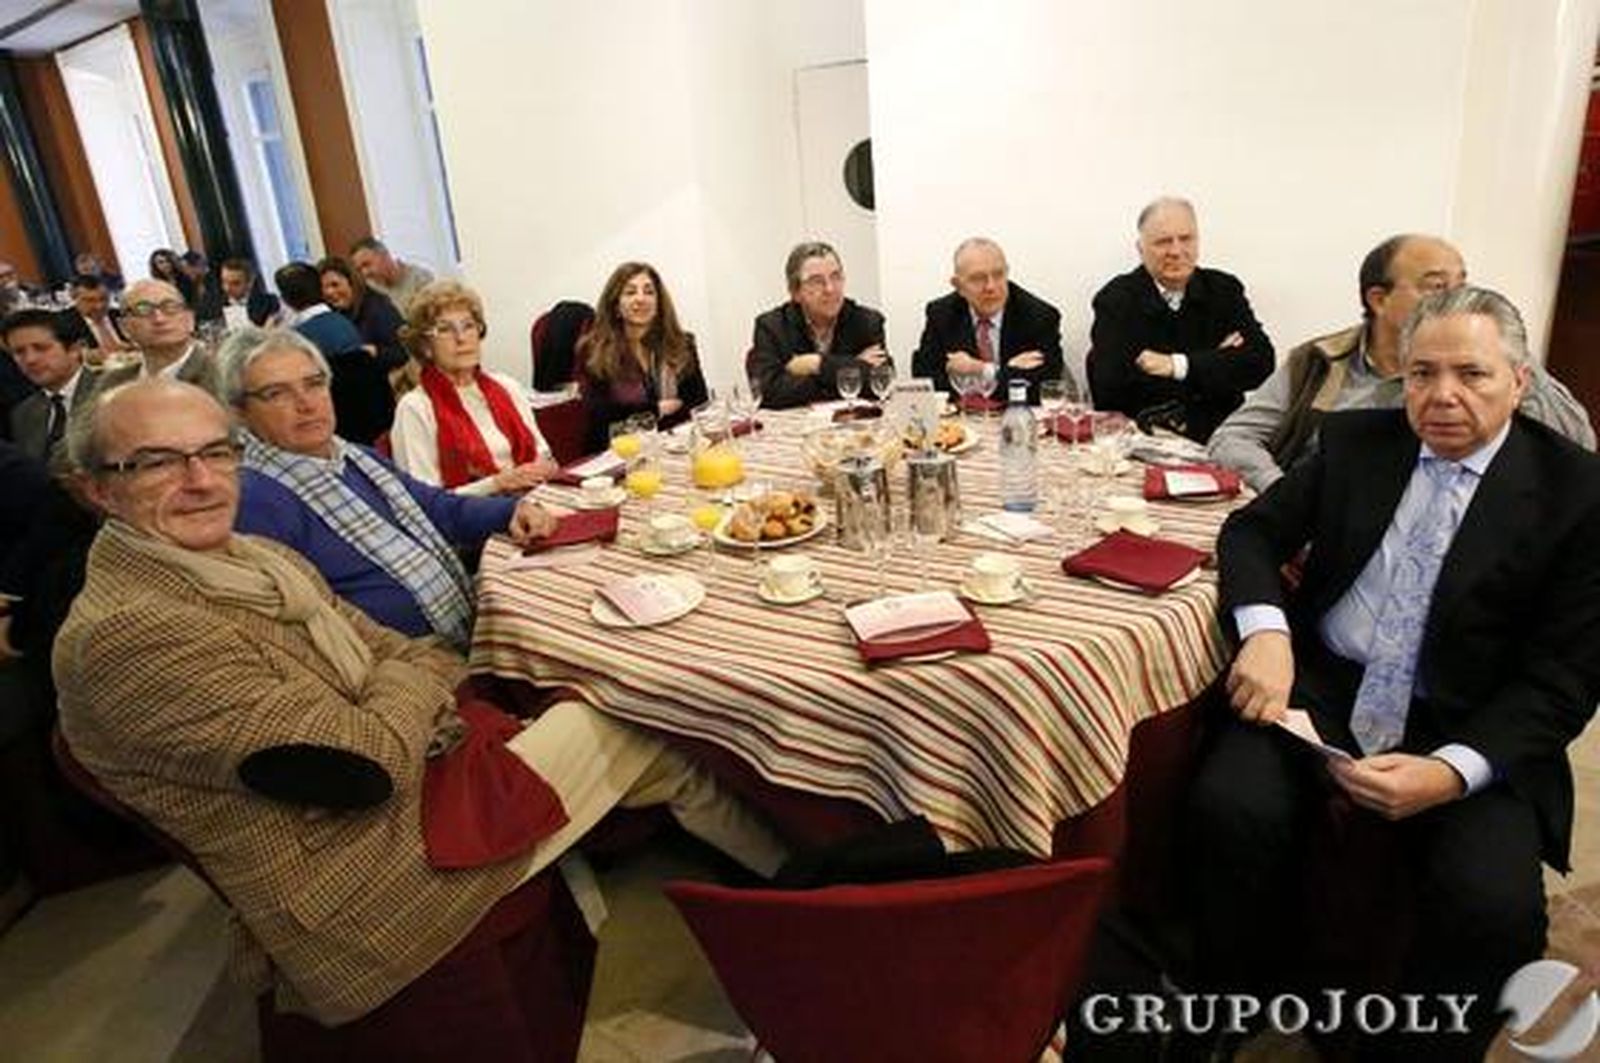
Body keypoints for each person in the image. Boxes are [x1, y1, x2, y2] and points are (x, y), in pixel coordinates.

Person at [53, 377, 786, 1026]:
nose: (202, 479)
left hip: (414, 780)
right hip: (369, 872)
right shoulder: (130, 632)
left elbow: (406, 651)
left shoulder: (250, 558)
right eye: (156, 461)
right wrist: (410, 694)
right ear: (95, 486)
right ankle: (802, 893)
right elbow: (361, 762)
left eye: (217, 452)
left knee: (632, 736)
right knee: (636, 721)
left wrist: (399, 688)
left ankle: (791, 891)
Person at [1191, 286, 1600, 1061]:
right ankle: (1231, 1007)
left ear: (1519, 381)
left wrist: (1451, 773)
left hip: (1472, 718)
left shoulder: (1577, 495)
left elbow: (1564, 677)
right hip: (1325, 690)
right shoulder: (1356, 445)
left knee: (1493, 907)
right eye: (1421, 373)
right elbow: (1251, 530)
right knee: (1228, 808)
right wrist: (1268, 632)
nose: (1441, 396)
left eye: (1470, 373)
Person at [224, 326, 547, 645]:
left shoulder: (356, 457)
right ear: (240, 412)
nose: (306, 404)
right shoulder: (253, 500)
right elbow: (303, 625)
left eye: (314, 384)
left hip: (461, 622)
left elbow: (437, 508)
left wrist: (511, 510)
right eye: (277, 393)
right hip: (410, 662)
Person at [1207, 234, 1596, 490]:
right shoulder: (1318, 361)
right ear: (1378, 299)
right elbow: (1232, 438)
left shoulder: (1490, 367)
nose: (1456, 297)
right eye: (1437, 286)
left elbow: (1579, 445)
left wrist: (1511, 358)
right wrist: (1285, 499)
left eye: (1462, 284)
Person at [1087, 197, 1273, 442]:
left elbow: (1261, 364)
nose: (1176, 251)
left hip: (1220, 436)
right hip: (1147, 439)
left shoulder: (1224, 290)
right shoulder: (1116, 299)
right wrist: (1217, 363)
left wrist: (1176, 365)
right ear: (1141, 249)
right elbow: (1111, 389)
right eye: (1163, 242)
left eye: (1186, 239)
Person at [390, 280, 554, 495]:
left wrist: (543, 469)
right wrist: (497, 484)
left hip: (534, 499)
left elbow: (543, 454)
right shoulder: (414, 408)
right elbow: (425, 502)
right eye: (445, 330)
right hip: (472, 520)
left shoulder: (506, 386)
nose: (461, 338)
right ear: (425, 346)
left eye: (468, 326)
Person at [910, 237, 1063, 404]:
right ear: (958, 286)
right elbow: (925, 379)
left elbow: (1044, 387)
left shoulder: (1039, 316)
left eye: (998, 275)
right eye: (978, 278)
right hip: (962, 422)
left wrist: (981, 369)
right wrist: (1009, 372)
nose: (991, 287)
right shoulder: (941, 314)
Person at [576, 262, 709, 453]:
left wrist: (634, 413)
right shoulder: (593, 349)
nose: (641, 299)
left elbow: (698, 403)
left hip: (674, 448)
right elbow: (600, 415)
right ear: (615, 306)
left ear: (659, 303)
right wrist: (656, 409)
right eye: (630, 292)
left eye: (649, 292)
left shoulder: (682, 343)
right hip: (616, 454)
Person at [748, 241, 889, 408]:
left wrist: (815, 363)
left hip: (853, 426)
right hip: (798, 430)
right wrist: (851, 365)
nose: (830, 289)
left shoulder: (867, 321)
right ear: (795, 292)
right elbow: (768, 393)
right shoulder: (771, 327)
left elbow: (882, 383)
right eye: (816, 281)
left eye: (836, 277)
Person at [275, 261, 393, 447]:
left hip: (335, 432)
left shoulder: (295, 343)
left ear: (285, 300)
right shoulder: (346, 324)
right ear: (319, 290)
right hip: (376, 427)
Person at [3, 309, 99, 463]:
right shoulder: (23, 413)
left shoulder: (111, 393)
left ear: (75, 349)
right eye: (19, 352)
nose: (30, 359)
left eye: (41, 348)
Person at [97, 279, 221, 396]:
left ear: (190, 319)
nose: (159, 319)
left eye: (170, 307)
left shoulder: (222, 375)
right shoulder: (113, 383)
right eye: (143, 309)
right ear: (124, 327)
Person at [318, 255, 408, 380]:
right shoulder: (331, 315)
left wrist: (375, 351)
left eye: (335, 285)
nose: (329, 292)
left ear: (352, 282)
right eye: (324, 288)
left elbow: (404, 352)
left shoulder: (378, 308)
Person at [349, 236, 434, 314]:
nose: (365, 273)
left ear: (385, 255)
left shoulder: (421, 279)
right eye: (359, 270)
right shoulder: (370, 288)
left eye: (367, 264)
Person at [67, 274, 130, 361]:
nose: (99, 306)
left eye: (103, 299)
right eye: (90, 300)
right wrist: (84, 355)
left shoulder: (121, 315)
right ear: (74, 298)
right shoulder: (65, 324)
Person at [218, 258, 282, 331]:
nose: (227, 288)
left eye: (235, 283)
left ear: (250, 283)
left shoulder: (268, 302)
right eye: (224, 282)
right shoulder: (215, 305)